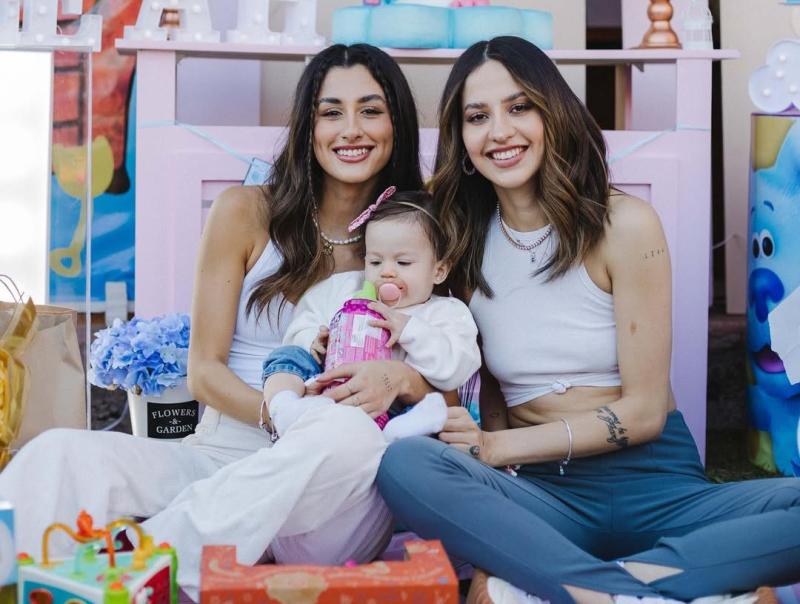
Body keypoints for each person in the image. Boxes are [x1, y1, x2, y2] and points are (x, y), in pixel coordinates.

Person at [0, 43, 433, 600]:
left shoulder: (419, 233)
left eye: (371, 110)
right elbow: (203, 371)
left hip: (335, 490)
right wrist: (282, 415)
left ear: (396, 123)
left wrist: (396, 382)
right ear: (308, 126)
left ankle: (142, 564)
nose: (351, 129)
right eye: (332, 112)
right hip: (221, 458)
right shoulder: (244, 211)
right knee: (61, 454)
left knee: (344, 433)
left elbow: (447, 374)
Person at [376, 36, 800, 604]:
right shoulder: (461, 242)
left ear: (554, 111)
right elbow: (488, 389)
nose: (499, 131)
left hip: (659, 487)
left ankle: (592, 586)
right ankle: (640, 587)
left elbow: (645, 413)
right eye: (477, 117)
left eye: (519, 106)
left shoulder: (626, 225)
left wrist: (495, 450)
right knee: (405, 463)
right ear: (461, 138)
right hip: (543, 495)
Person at [261, 188, 481, 443]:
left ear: (439, 271)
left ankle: (399, 433)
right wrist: (316, 341)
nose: (386, 272)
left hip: (394, 408)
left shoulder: (446, 313)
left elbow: (456, 368)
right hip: (333, 394)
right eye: (375, 262)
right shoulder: (346, 291)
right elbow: (303, 320)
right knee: (287, 356)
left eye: (403, 263)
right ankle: (286, 409)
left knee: (434, 406)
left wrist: (410, 330)